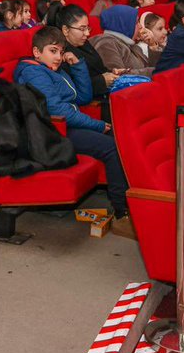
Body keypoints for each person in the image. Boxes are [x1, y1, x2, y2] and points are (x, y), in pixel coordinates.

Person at [14, 27, 133, 238]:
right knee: (112, 148)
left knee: (123, 138)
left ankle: (136, 202)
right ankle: (121, 214)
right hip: (52, 131)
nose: (59, 57)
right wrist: (96, 125)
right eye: (53, 51)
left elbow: (84, 97)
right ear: (36, 52)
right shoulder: (32, 72)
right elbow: (57, 110)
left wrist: (77, 65)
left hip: (68, 125)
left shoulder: (53, 69)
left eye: (61, 51)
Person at [90, 5, 159, 76]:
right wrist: (153, 71)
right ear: (124, 24)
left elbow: (155, 67)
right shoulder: (105, 44)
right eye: (136, 22)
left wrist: (152, 46)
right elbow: (117, 76)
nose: (140, 26)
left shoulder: (131, 44)